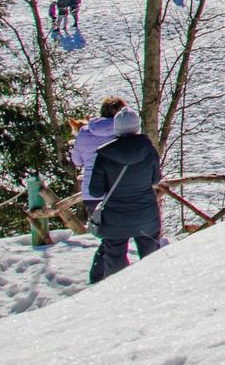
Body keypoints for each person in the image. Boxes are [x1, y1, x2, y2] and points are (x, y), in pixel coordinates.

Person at [88, 106, 163, 282]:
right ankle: (155, 286)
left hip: (115, 218)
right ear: (137, 126)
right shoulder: (149, 150)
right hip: (146, 213)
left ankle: (118, 294)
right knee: (152, 259)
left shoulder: (105, 155)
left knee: (115, 260)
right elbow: (155, 180)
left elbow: (95, 190)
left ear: (116, 128)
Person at [69, 97, 127, 284]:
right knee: (117, 238)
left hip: (91, 194)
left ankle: (103, 276)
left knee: (111, 237)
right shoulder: (123, 131)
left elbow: (77, 162)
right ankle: (107, 278)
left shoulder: (84, 133)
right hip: (116, 190)